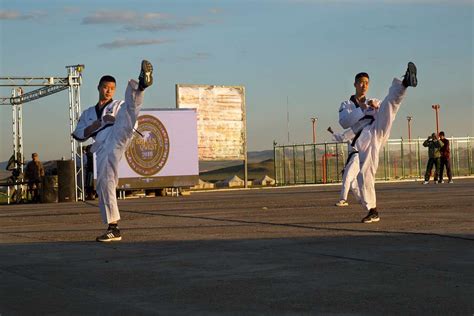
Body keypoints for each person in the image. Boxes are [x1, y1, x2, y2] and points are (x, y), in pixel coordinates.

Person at [73, 60, 153, 242]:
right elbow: (78, 135)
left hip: (118, 135)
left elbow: (131, 118)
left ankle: (141, 85)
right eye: (105, 87)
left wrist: (116, 121)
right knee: (105, 182)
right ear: (99, 88)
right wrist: (97, 124)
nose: (109, 91)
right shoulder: (88, 113)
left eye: (112, 88)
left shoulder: (117, 104)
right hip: (102, 145)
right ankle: (113, 227)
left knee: (128, 109)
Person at [338, 62, 418, 223]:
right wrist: (362, 108)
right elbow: (345, 122)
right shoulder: (346, 105)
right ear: (355, 84)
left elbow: (383, 109)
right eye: (361, 82)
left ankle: (404, 83)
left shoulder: (371, 100)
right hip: (364, 139)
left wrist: (375, 105)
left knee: (388, 106)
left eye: (367, 82)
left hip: (378, 129)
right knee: (365, 174)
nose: (364, 85)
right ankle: (372, 210)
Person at [327, 126, 361, 206]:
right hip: (355, 157)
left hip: (356, 157)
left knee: (347, 177)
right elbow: (342, 137)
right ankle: (361, 198)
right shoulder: (360, 131)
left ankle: (343, 199)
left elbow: (342, 137)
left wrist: (332, 132)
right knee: (352, 181)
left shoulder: (355, 131)